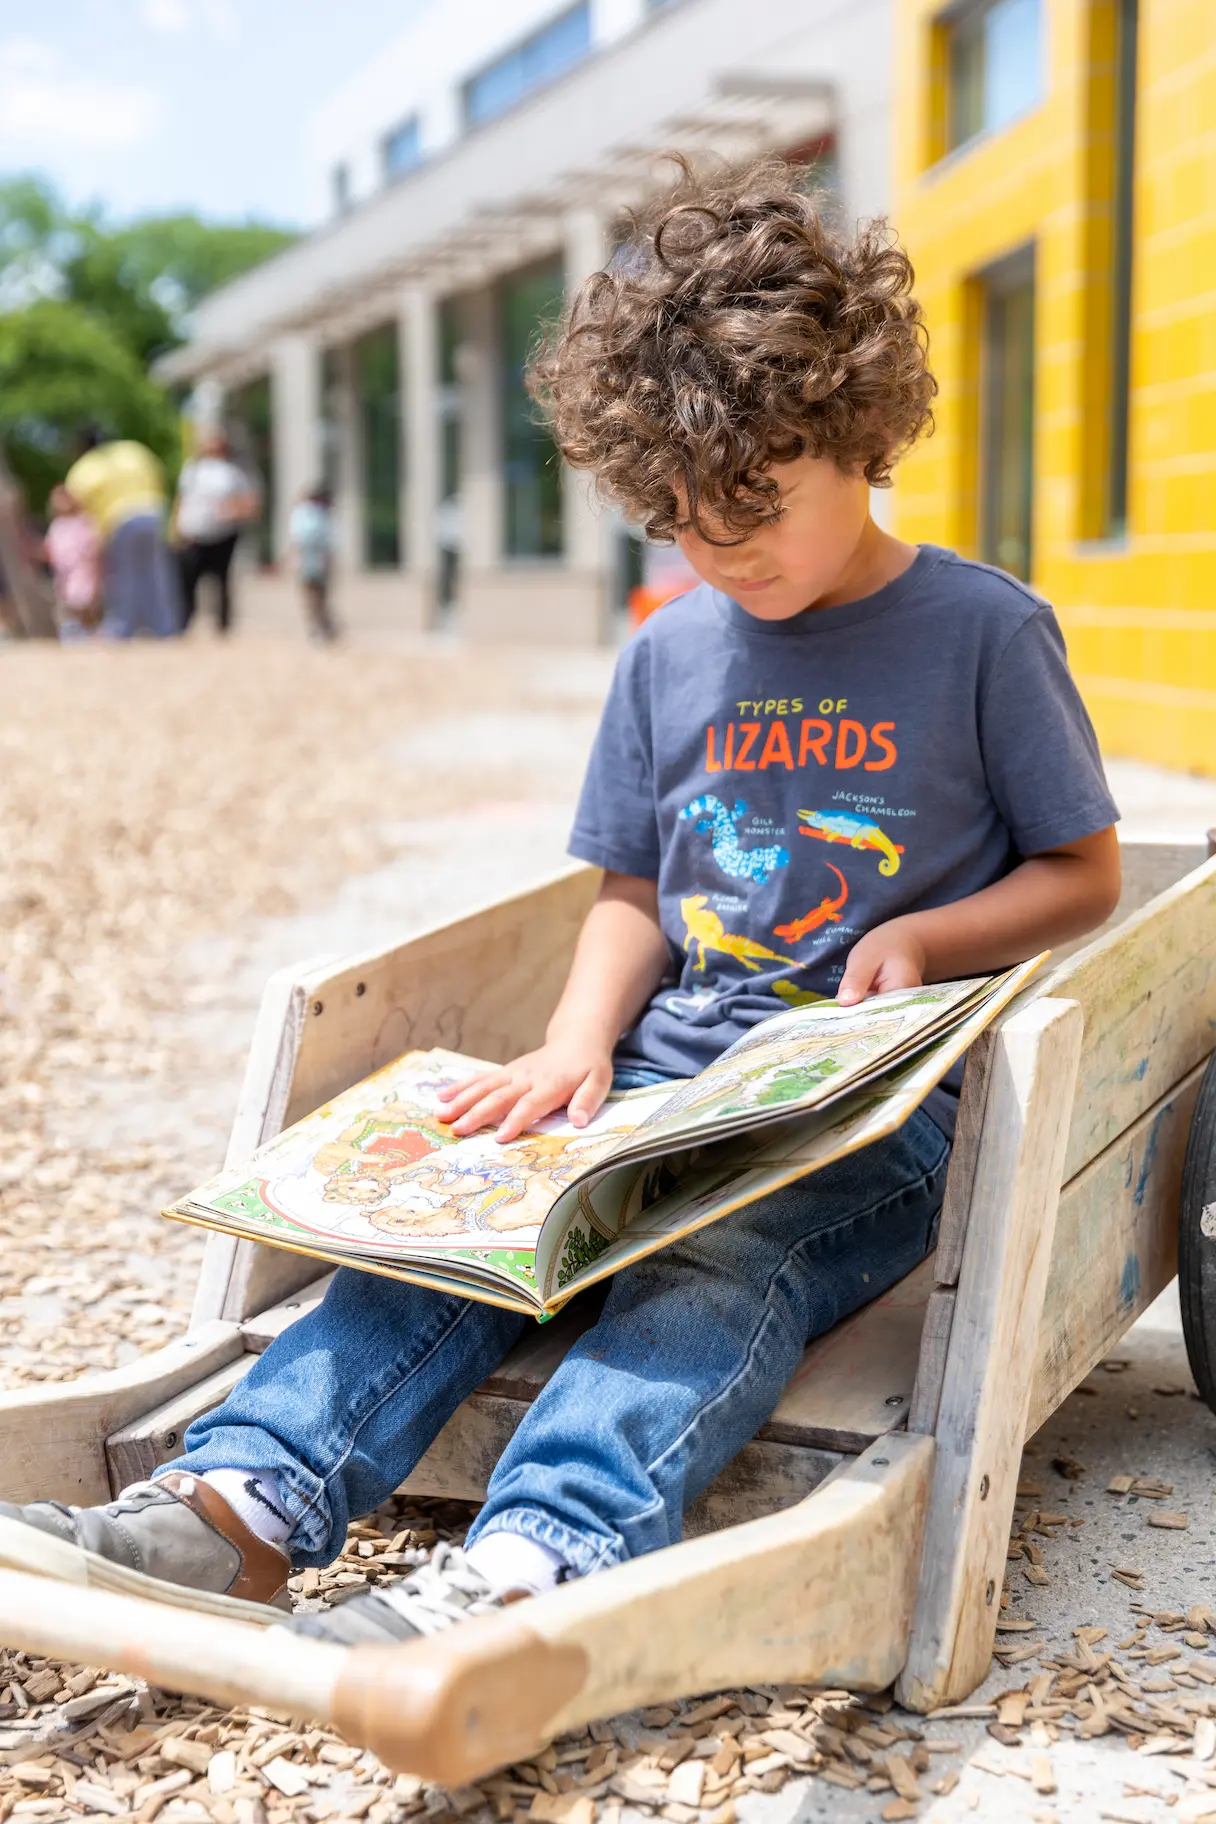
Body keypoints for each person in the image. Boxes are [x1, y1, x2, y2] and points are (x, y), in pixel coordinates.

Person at [0, 161, 1122, 1636]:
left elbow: (1085, 875)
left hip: (872, 1116)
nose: (723, 551)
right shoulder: (670, 653)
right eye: (683, 522)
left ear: (859, 431)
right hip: (663, 1083)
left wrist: (923, 934)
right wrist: (575, 1041)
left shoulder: (982, 631)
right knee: (458, 1237)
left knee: (720, 1271)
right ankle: (239, 1506)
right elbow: (634, 889)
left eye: (756, 507)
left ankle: (537, 1559)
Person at [64, 435, 180, 638]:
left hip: (119, 520)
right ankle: (165, 627)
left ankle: (122, 627)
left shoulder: (86, 466)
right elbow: (158, 475)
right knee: (156, 574)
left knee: (122, 576)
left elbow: (75, 505)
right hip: (153, 512)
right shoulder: (133, 450)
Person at [173, 431, 258, 634]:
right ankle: (185, 620)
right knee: (188, 580)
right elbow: (182, 500)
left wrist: (232, 512)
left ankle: (223, 624)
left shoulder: (232, 472)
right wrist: (176, 527)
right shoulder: (192, 470)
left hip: (222, 534)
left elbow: (248, 502)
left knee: (221, 581)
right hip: (195, 533)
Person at [43, 485, 102, 640]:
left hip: (82, 571)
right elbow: (50, 550)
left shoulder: (84, 521)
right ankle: (75, 636)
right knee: (68, 607)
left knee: (85, 605)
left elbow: (93, 548)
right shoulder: (56, 525)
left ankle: (89, 634)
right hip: (63, 575)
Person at [288, 483, 339, 641]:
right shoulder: (313, 513)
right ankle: (321, 625)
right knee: (315, 594)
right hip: (312, 557)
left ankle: (320, 625)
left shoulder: (306, 512)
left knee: (314, 594)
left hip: (312, 558)